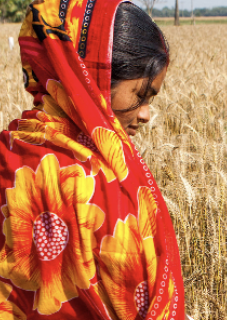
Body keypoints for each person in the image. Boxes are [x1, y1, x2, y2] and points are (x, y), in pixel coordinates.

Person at [0, 0, 185, 319]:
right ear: (93, 82)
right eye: (140, 96)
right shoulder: (112, 190)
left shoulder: (9, 150)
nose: (146, 114)